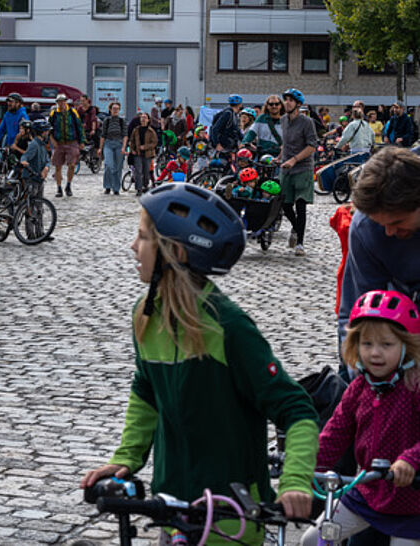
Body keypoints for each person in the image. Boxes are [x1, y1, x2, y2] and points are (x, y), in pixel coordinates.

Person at [80, 183, 317, 545]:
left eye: (142, 237)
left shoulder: (228, 326)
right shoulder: (145, 315)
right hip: (172, 508)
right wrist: (127, 457)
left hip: (230, 514)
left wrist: (296, 482)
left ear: (173, 252)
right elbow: (146, 391)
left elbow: (296, 408)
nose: (133, 246)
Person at [300, 290, 420, 546]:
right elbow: (335, 432)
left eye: (386, 345)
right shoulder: (359, 388)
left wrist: (410, 460)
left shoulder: (414, 386)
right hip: (367, 493)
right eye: (366, 344)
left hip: (412, 502)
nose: (375, 353)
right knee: (313, 540)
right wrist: (308, 465)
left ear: (406, 346)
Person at [338, 147, 420, 350]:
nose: (390, 232)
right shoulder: (365, 227)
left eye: (398, 222)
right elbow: (360, 312)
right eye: (381, 224)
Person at [278, 88, 318, 257]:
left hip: (303, 168)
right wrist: (279, 157)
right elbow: (285, 144)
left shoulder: (307, 122)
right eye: (285, 99)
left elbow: (312, 146)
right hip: (286, 167)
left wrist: (294, 159)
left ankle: (300, 243)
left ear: (298, 104)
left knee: (300, 205)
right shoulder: (283, 120)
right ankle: (295, 227)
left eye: (291, 100)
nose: (287, 102)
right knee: (285, 204)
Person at [48, 93, 83, 197]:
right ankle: (59, 188)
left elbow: (79, 127)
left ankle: (68, 185)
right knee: (58, 166)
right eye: (59, 101)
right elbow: (48, 128)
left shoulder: (72, 112)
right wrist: (52, 140)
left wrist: (81, 141)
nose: (61, 103)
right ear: (57, 103)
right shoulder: (54, 113)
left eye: (63, 101)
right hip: (59, 143)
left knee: (72, 165)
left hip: (72, 142)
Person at [99, 101, 126, 195]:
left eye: (117, 109)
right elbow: (103, 135)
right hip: (108, 143)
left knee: (118, 167)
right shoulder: (107, 120)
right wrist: (100, 148)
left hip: (119, 143)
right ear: (110, 110)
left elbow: (125, 135)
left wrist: (124, 147)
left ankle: (116, 188)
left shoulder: (122, 121)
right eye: (113, 109)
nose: (115, 110)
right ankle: (107, 186)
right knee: (108, 165)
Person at [19, 119, 51, 198]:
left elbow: (47, 159)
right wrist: (23, 161)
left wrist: (46, 167)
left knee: (39, 203)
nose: (48, 133)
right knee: (32, 200)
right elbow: (26, 155)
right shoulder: (34, 144)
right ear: (42, 132)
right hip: (31, 177)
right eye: (46, 131)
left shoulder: (42, 144)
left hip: (39, 177)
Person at [128, 112, 158, 195]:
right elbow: (132, 141)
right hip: (137, 153)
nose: (143, 119)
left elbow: (154, 142)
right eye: (142, 118)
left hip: (147, 154)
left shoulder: (151, 131)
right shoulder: (136, 130)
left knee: (146, 171)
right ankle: (138, 189)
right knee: (138, 171)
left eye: (145, 117)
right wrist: (132, 149)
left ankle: (145, 185)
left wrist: (145, 147)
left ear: (148, 120)